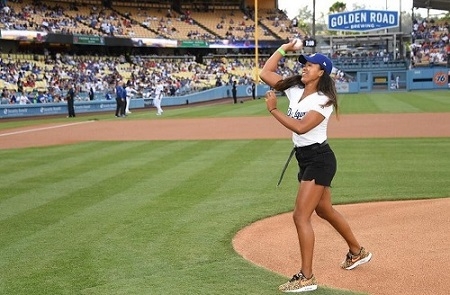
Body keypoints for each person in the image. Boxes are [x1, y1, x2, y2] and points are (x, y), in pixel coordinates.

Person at [259, 40, 372, 293]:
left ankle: (306, 277)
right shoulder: (296, 89)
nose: (304, 68)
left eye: (310, 66)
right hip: (305, 158)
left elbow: (301, 127)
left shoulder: (324, 100)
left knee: (301, 216)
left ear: (321, 72)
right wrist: (283, 49)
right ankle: (357, 251)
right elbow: (265, 73)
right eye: (304, 64)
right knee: (324, 210)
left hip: (319, 159)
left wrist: (274, 111)